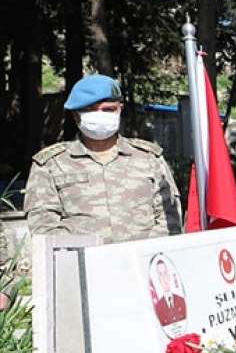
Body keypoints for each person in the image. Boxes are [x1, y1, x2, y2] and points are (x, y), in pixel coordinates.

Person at [25, 74, 182, 242]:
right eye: (90, 110)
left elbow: (169, 217)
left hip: (141, 262)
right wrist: (87, 255)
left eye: (108, 109)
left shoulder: (149, 158)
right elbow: (43, 224)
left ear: (119, 109)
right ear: (75, 115)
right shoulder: (51, 164)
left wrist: (141, 254)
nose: (99, 115)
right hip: (80, 262)